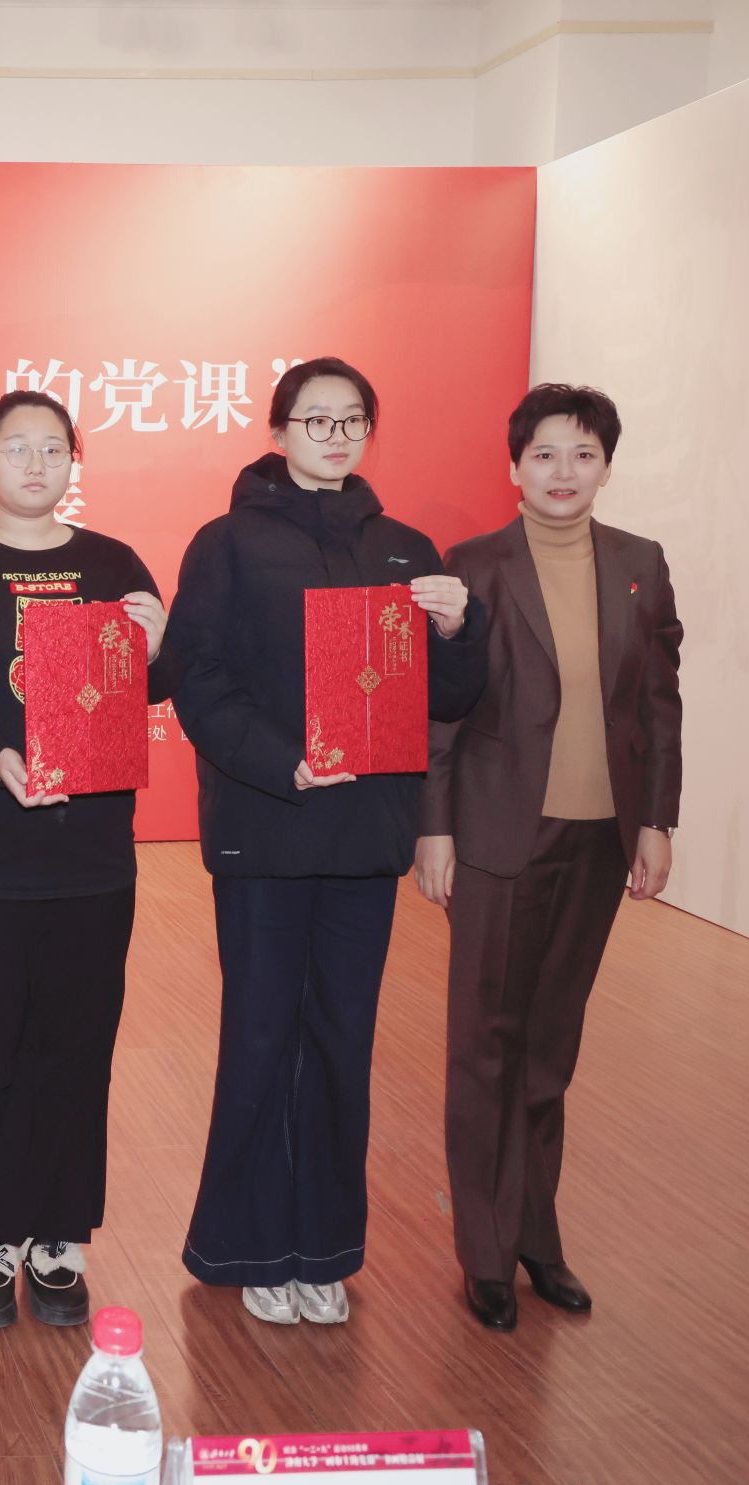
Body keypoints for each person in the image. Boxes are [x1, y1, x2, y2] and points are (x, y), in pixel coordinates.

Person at [165, 355, 486, 1327]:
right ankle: (252, 1246)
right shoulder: (225, 543)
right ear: (278, 432)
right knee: (262, 1035)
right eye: (315, 419)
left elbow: (447, 699)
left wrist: (457, 628)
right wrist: (283, 762)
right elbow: (197, 680)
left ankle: (325, 1251)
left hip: (361, 839)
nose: (335, 435)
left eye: (351, 420)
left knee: (343, 1041)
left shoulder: (403, 548)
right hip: (265, 829)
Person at [0, 390, 180, 1328]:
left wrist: (159, 644)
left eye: (53, 448)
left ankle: (59, 1235)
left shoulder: (112, 563)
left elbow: (154, 683)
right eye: (16, 447)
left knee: (74, 1047)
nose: (35, 463)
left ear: (75, 460)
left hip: (89, 855)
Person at [414, 383, 682, 1331]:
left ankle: (537, 1237)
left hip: (599, 838)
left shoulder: (641, 563)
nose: (563, 472)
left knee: (549, 1048)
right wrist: (434, 827)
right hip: (496, 835)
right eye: (544, 454)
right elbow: (441, 708)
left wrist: (657, 820)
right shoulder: (474, 565)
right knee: (485, 1044)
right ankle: (486, 1253)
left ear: (606, 465)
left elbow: (658, 704)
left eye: (583, 454)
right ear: (515, 466)